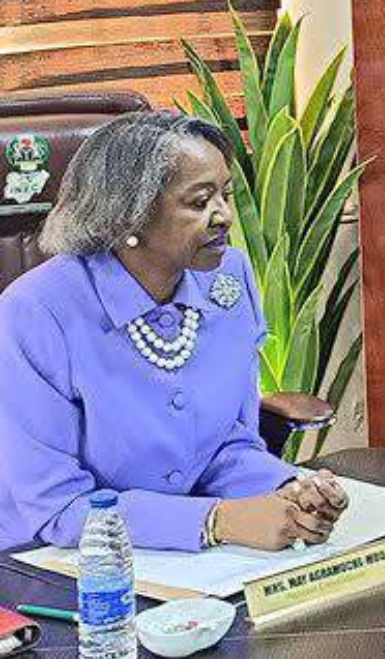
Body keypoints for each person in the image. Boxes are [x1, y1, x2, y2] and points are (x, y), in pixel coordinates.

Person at [0, 112, 348, 553]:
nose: (224, 215)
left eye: (226, 194)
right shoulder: (35, 312)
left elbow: (227, 445)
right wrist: (216, 521)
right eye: (200, 202)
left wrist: (294, 492)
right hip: (54, 565)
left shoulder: (229, 276)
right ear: (129, 214)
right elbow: (55, 508)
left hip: (196, 565)